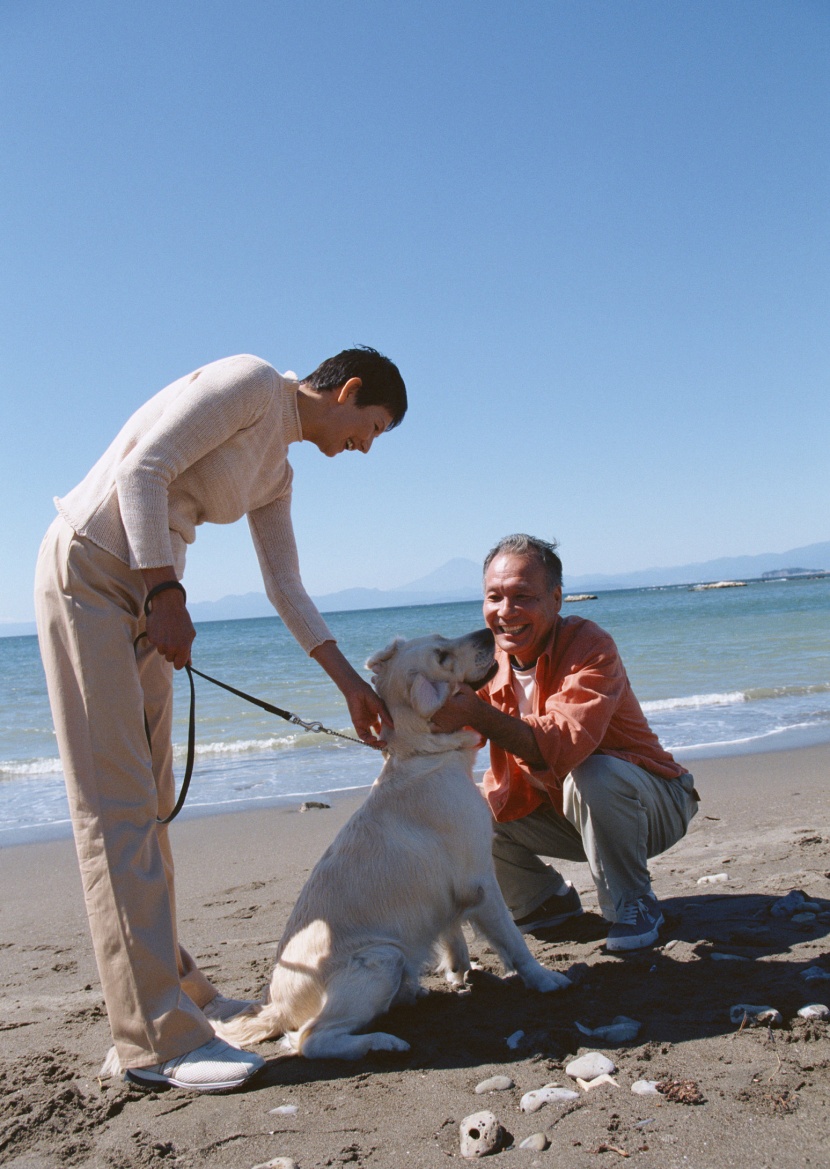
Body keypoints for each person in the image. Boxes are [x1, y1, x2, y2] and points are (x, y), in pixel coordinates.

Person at [34, 347, 407, 1091]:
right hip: (93, 575)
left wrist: (348, 685)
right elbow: (143, 470)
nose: (363, 447)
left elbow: (285, 587)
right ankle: (154, 1043)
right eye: (370, 428)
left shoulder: (279, 472)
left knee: (149, 805)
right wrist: (165, 592)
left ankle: (185, 998)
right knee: (116, 813)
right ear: (348, 391)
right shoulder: (252, 383)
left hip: (145, 594)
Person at [430, 533, 699, 953]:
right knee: (463, 806)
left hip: (653, 805)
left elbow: (558, 745)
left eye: (523, 597)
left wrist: (476, 713)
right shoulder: (487, 665)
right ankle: (542, 901)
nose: (506, 612)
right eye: (494, 597)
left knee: (594, 770)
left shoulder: (590, 647)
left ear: (556, 600)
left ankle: (634, 903)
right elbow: (449, 736)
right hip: (565, 813)